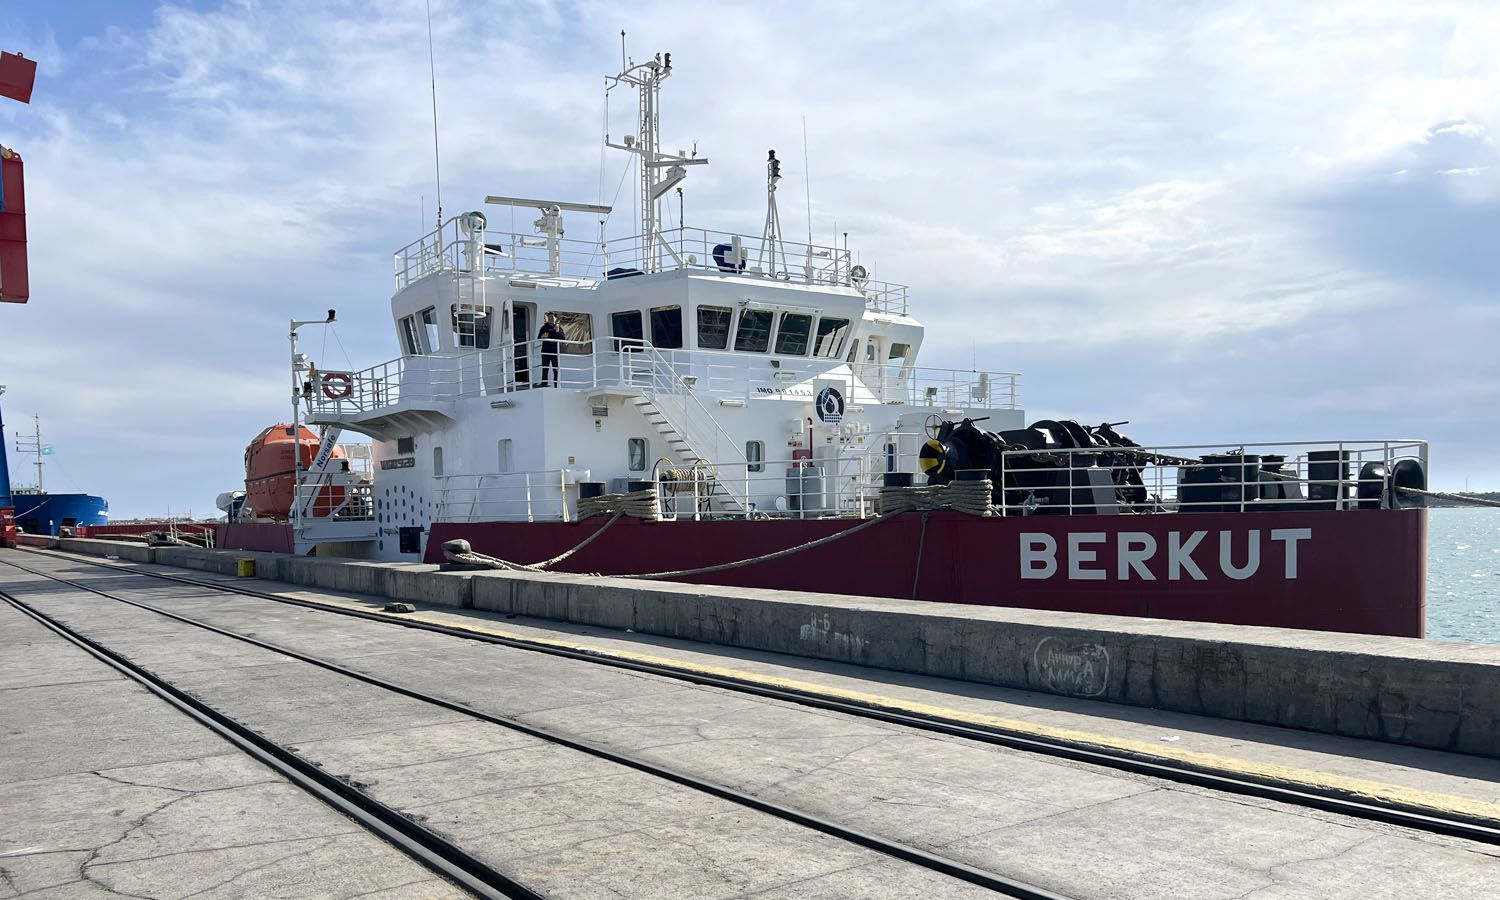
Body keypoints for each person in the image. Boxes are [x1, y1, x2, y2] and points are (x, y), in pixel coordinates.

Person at [537, 311, 564, 386]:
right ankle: (544, 384)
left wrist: (557, 331)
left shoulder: (559, 328)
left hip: (555, 351)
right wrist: (542, 336)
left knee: (555, 369)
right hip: (545, 351)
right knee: (545, 369)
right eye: (549, 317)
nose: (550, 318)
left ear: (555, 318)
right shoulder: (544, 327)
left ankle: (556, 385)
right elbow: (539, 337)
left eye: (552, 317)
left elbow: (563, 338)